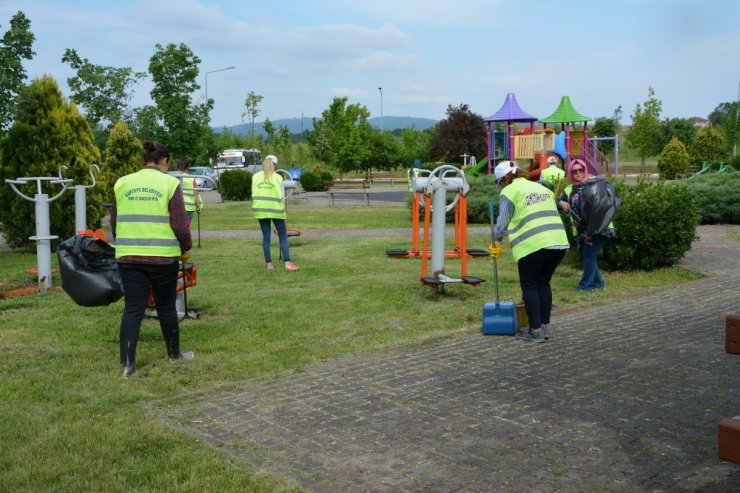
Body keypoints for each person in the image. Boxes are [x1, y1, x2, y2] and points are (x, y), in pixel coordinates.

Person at [111, 141, 194, 378]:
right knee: (166, 305)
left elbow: (115, 222)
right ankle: (174, 354)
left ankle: (128, 365)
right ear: (164, 161)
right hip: (162, 258)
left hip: (128, 257)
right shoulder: (170, 183)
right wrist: (185, 246)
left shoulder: (122, 183)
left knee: (133, 308)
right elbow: (179, 224)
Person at [492, 160, 569, 342]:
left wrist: (497, 242)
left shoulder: (510, 191)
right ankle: (544, 328)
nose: (501, 185)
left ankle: (534, 332)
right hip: (558, 243)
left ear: (505, 179)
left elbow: (502, 222)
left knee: (530, 286)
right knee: (544, 283)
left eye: (500, 182)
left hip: (533, 245)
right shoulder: (542, 188)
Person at [557, 159, 616, 292]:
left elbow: (607, 200)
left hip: (600, 227)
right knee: (586, 256)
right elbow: (558, 199)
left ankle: (584, 286)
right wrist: (562, 203)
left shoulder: (594, 183)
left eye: (581, 170)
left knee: (589, 255)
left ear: (585, 169)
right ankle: (598, 283)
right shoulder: (569, 189)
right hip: (582, 230)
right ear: (570, 173)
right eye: (574, 171)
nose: (578, 173)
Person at [251, 154, 299, 271]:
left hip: (260, 211)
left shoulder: (255, 177)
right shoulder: (278, 178)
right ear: (275, 166)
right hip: (276, 210)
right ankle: (287, 263)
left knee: (266, 238)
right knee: (283, 236)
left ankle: (269, 264)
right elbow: (282, 195)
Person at [177, 159, 203, 224]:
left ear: (177, 167)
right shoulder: (191, 178)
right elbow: (196, 194)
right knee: (186, 228)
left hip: (177, 207)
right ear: (187, 168)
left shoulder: (174, 177)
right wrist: (198, 207)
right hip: (189, 208)